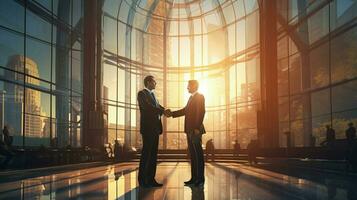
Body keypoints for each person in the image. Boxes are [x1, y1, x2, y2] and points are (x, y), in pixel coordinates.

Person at [166, 80, 206, 187]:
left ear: (194, 86)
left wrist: (197, 128)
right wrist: (172, 114)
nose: (187, 88)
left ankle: (200, 179)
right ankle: (194, 178)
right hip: (189, 130)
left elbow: (201, 112)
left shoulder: (200, 97)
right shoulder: (191, 98)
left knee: (198, 155)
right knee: (193, 155)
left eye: (188, 86)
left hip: (195, 130)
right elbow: (185, 111)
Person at [137, 75, 170, 187]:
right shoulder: (142, 94)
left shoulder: (154, 96)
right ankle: (142, 180)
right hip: (147, 129)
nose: (156, 84)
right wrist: (162, 110)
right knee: (146, 154)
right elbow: (147, 107)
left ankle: (151, 179)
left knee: (153, 155)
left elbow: (158, 107)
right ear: (148, 82)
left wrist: (165, 111)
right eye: (154, 82)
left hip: (155, 129)